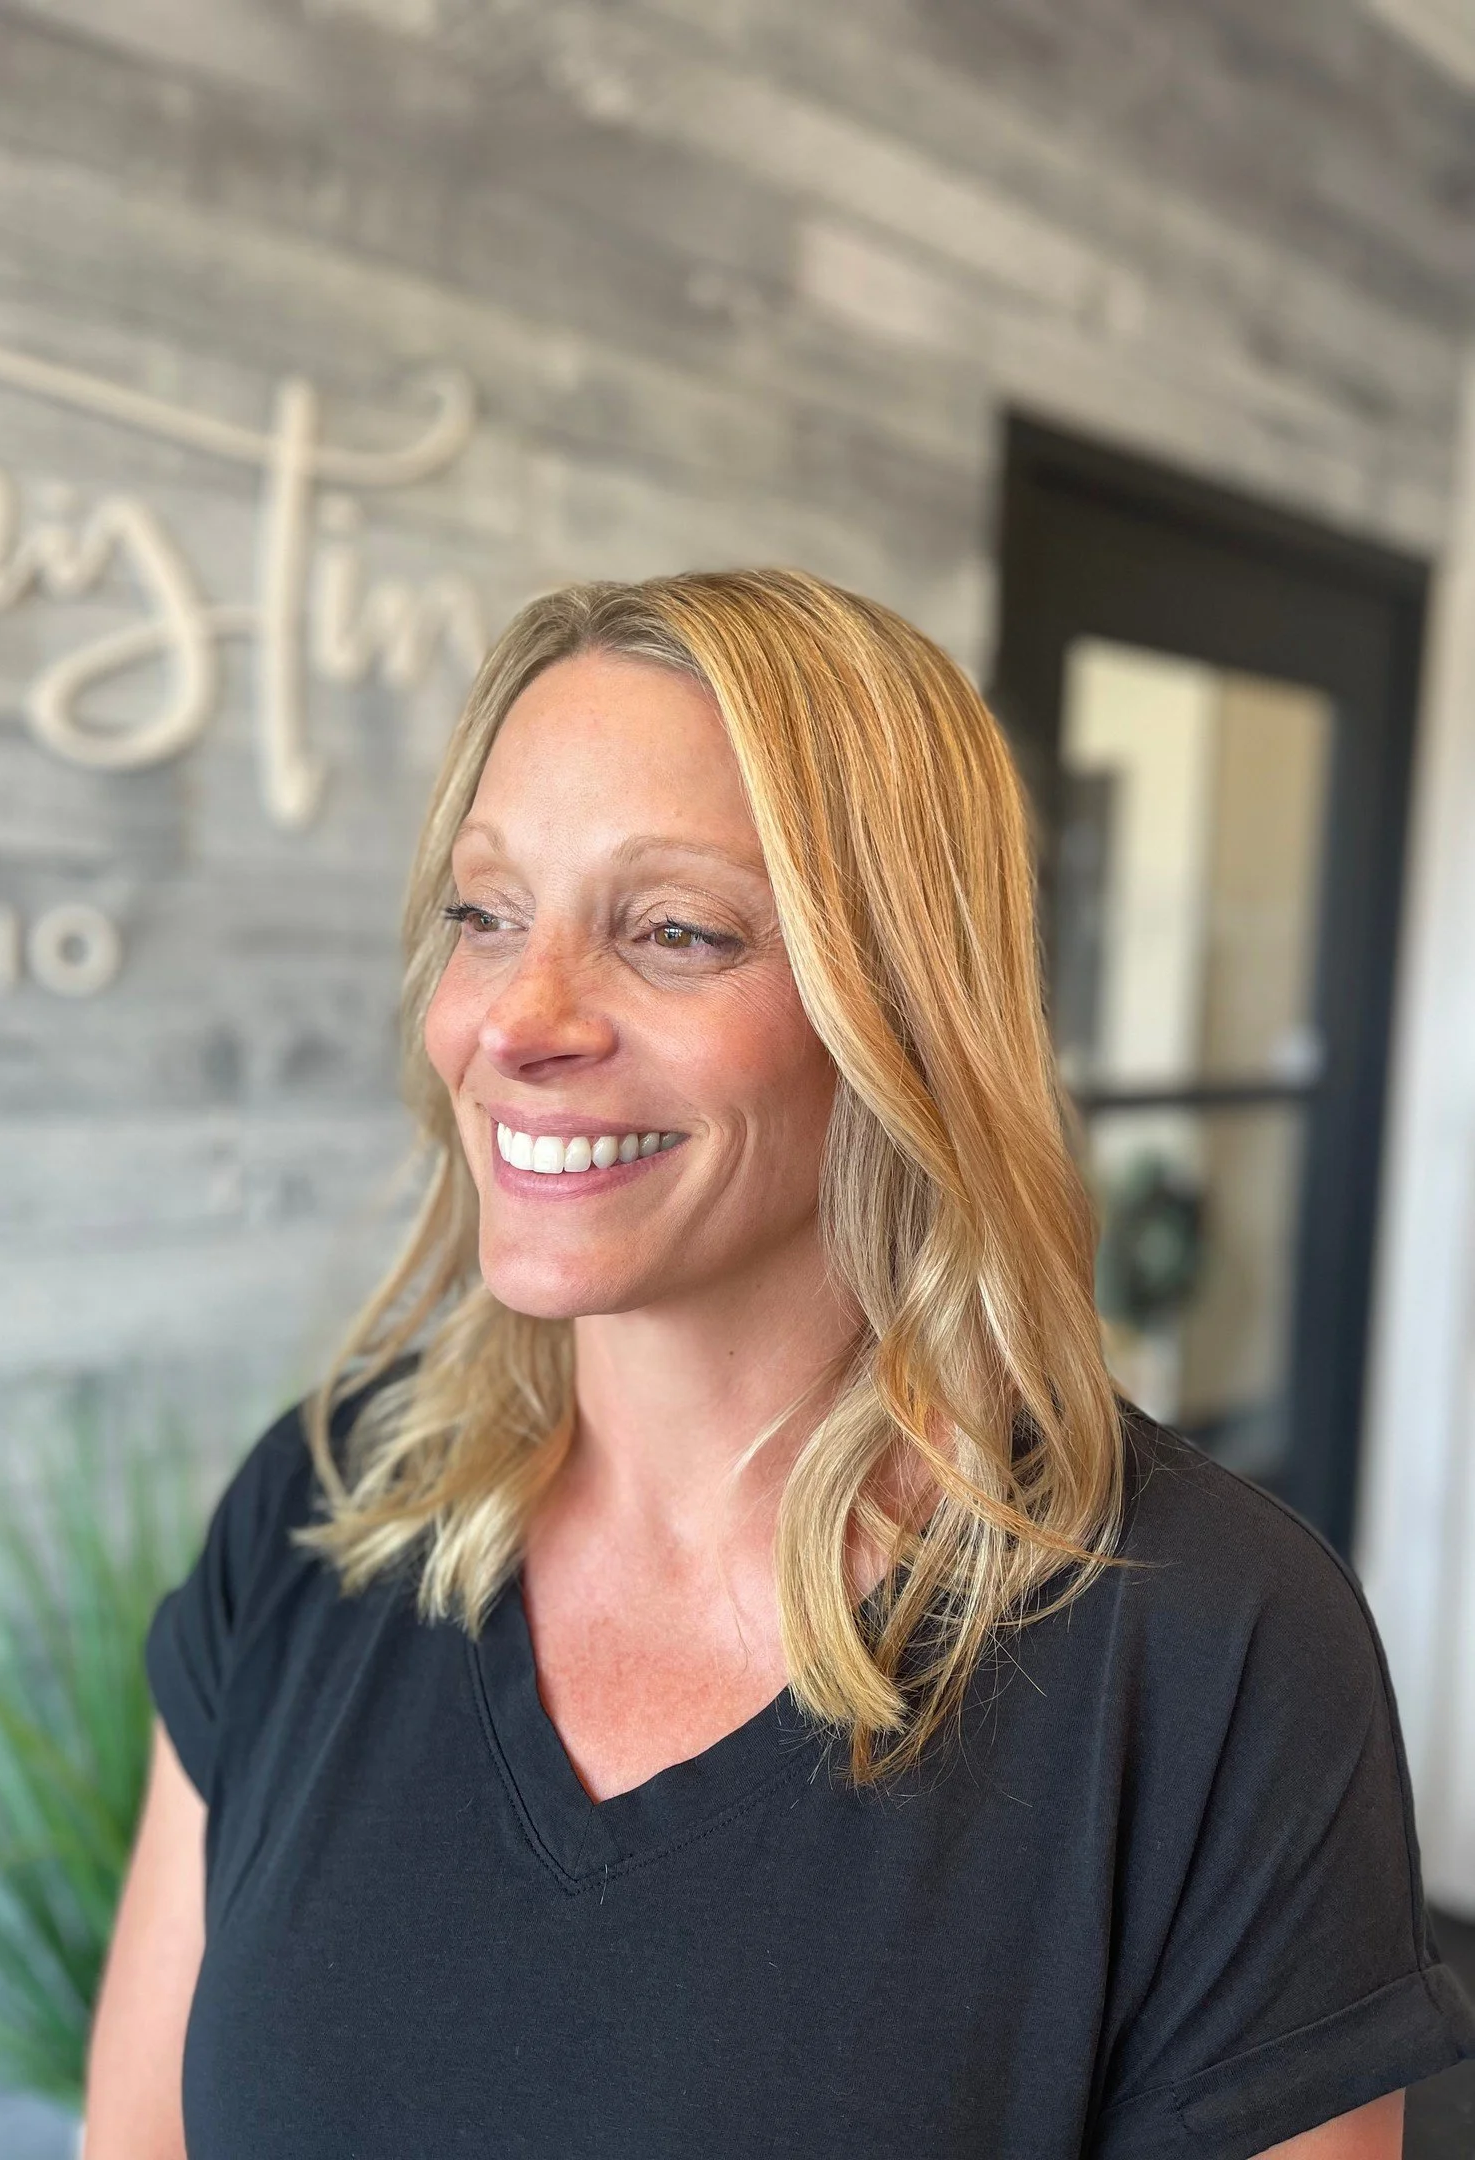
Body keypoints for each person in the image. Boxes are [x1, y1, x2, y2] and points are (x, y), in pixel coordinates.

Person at [84, 569, 1474, 2159]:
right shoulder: (324, 1509)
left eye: (673, 930)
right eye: (487, 914)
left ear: (900, 1012)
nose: (517, 1020)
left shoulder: (1210, 1647)